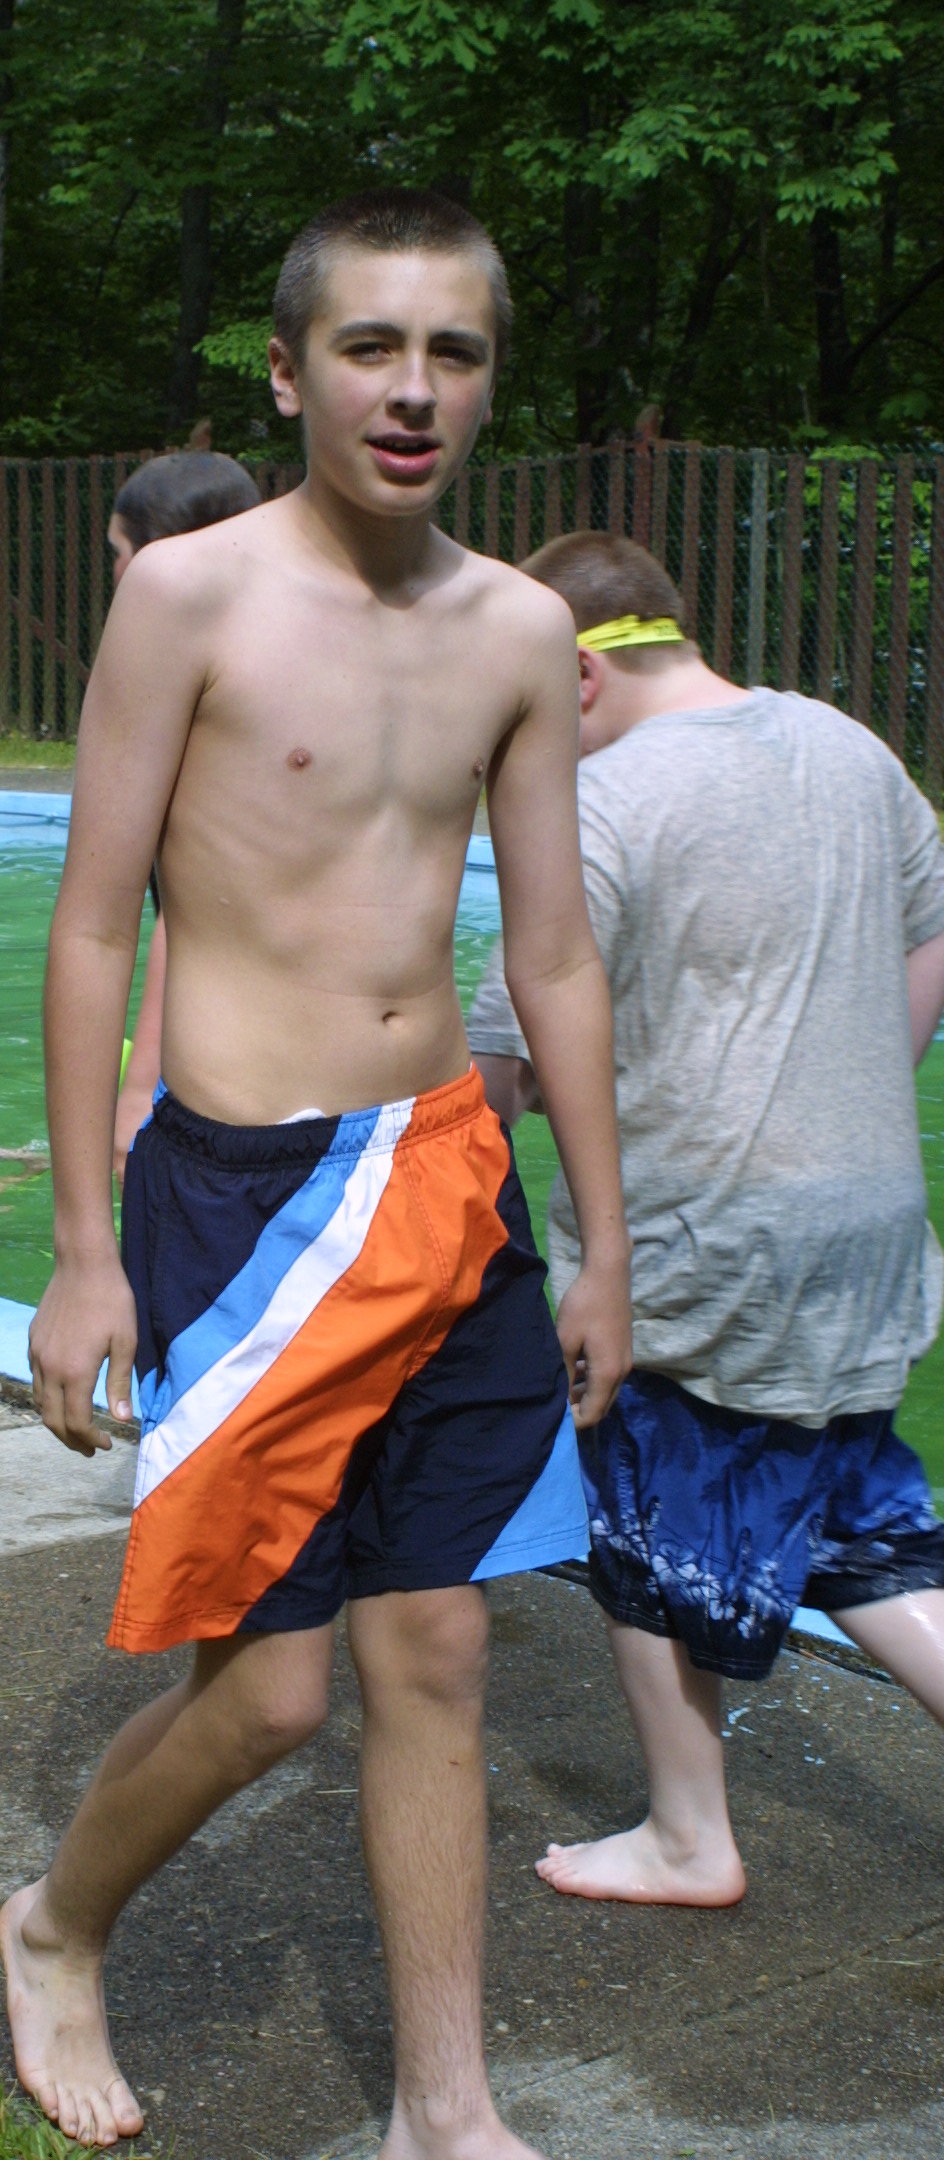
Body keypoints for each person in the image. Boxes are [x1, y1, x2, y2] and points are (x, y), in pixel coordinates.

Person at [0, 188, 632, 2156]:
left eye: (455, 351)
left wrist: (605, 1246)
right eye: (371, 347)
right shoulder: (192, 599)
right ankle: (55, 1924)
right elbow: (91, 923)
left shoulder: (518, 629)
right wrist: (84, 1249)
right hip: (242, 1200)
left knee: (437, 1647)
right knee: (270, 1697)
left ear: (492, 383)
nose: (413, 389)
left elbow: (554, 957)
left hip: (446, 1180)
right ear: (289, 374)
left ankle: (449, 2107)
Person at [468, 529, 944, 1910]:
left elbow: (504, 1068)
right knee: (862, 1521)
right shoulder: (850, 748)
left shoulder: (600, 805)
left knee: (642, 1515)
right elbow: (933, 928)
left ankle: (689, 1835)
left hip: (701, 1245)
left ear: (576, 675)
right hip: (865, 1229)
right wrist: (853, 1083)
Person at [107, 452, 263, 1184]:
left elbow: (195, 905)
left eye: (119, 554)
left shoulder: (204, 697)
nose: (115, 575)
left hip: (228, 1063)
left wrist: (138, 1091)